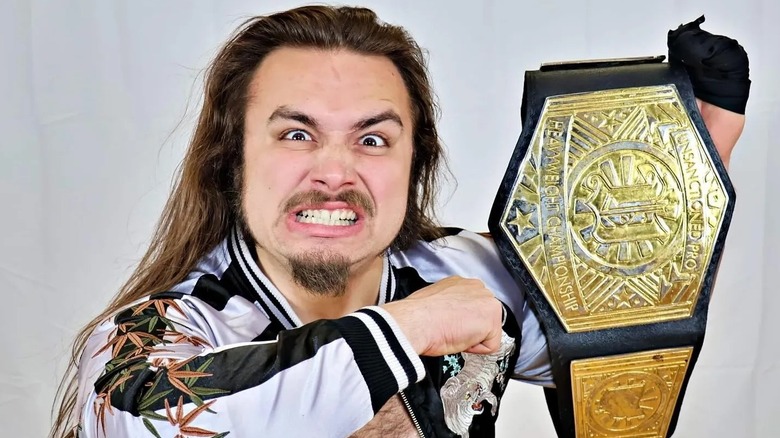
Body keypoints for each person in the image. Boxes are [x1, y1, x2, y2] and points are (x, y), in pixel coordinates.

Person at [50, 6, 749, 438]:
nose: (334, 171)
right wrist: (412, 328)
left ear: (417, 165)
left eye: (373, 139)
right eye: (296, 135)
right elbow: (150, 419)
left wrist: (684, 176)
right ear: (232, 160)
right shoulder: (157, 333)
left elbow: (618, 308)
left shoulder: (472, 272)